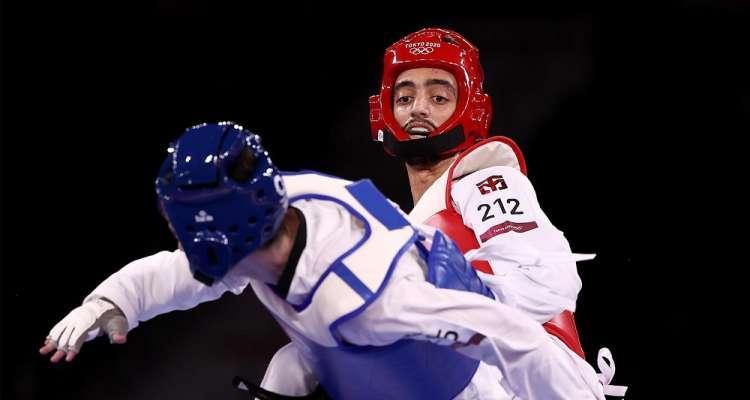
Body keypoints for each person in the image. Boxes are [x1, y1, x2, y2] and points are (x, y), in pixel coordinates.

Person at [41, 123, 610, 399]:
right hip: (371, 358)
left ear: (225, 237)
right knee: (287, 370)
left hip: (461, 388)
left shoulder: (368, 299)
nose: (178, 236)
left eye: (182, 225)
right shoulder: (286, 198)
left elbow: (510, 334)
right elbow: (180, 270)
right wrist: (113, 299)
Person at [260, 28, 626, 398]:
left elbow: (548, 284)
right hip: (464, 377)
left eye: (438, 96)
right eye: (405, 97)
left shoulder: (488, 180)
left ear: (471, 109)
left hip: (533, 382)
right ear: (383, 112)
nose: (418, 108)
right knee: (296, 363)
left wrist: (442, 299)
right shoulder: (402, 224)